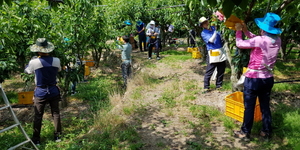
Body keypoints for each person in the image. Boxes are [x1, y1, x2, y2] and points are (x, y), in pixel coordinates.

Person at [233, 13, 282, 140]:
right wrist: (246, 30)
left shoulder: (260, 40)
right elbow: (257, 39)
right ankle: (266, 131)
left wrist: (239, 31)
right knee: (265, 106)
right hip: (268, 78)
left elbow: (240, 44)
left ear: (263, 28)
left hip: (254, 79)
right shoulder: (277, 40)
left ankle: (245, 132)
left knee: (249, 106)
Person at [25, 38, 62, 145]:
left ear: (38, 51)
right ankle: (57, 136)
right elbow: (58, 70)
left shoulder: (34, 62)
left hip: (41, 92)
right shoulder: (57, 60)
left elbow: (27, 71)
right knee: (55, 113)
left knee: (38, 115)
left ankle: (36, 140)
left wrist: (29, 63)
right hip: (53, 90)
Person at [199, 17, 226, 93]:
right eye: (204, 23)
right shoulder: (204, 33)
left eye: (206, 21)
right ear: (202, 25)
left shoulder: (214, 27)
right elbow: (211, 40)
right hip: (212, 51)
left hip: (220, 50)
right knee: (210, 69)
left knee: (221, 69)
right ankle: (206, 87)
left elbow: (221, 35)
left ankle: (219, 85)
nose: (206, 23)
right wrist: (216, 32)